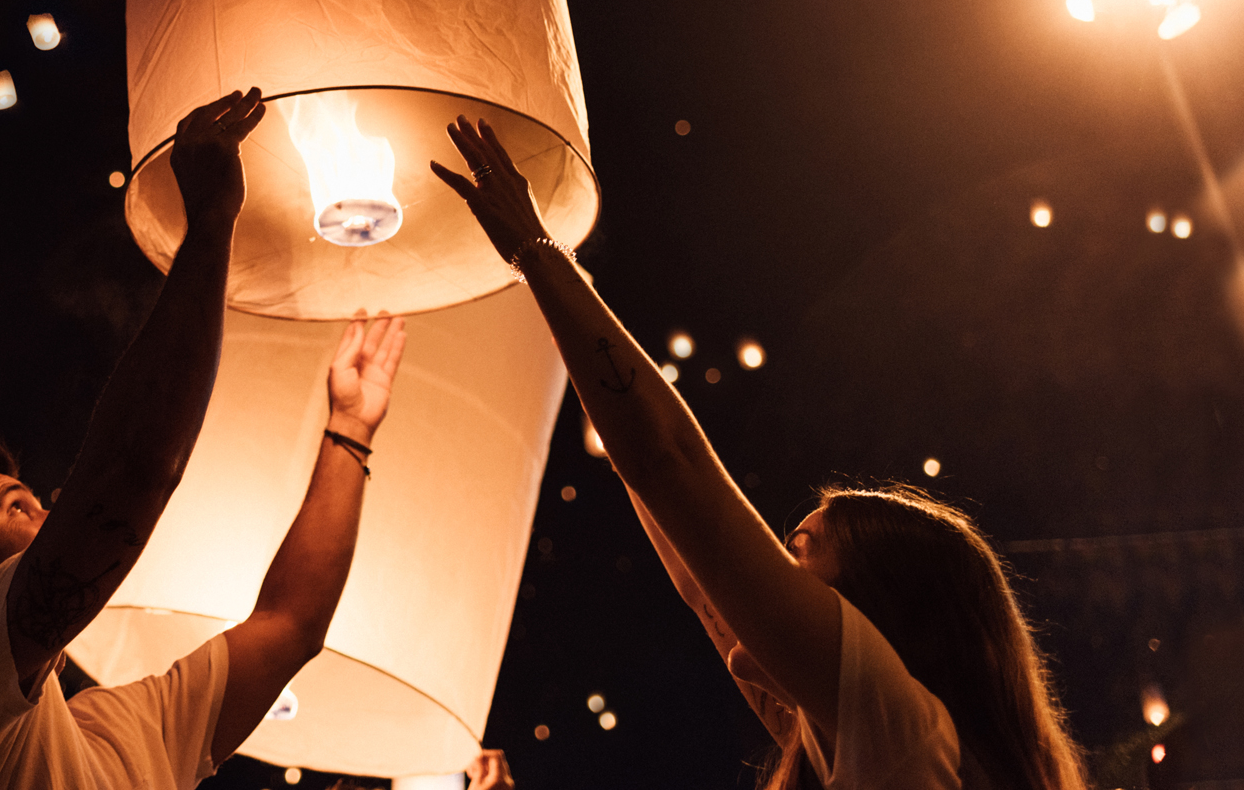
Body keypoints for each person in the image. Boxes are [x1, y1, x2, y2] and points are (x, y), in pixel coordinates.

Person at [431, 116, 1087, 790]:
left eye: (800, 551)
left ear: (879, 605)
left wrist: (537, 251)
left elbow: (671, 465)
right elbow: (694, 563)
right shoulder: (858, 742)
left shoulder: (901, 726)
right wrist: (558, 312)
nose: (772, 567)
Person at [0, 88, 411, 790]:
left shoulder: (115, 730)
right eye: (15, 506)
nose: (56, 516)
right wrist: (209, 223)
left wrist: (349, 430)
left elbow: (290, 622)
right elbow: (134, 471)